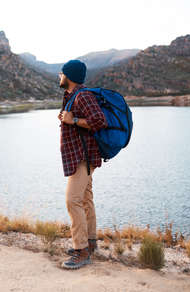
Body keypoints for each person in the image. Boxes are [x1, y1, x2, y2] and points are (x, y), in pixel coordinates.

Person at [58, 59, 107, 270]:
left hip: (83, 158)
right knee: (85, 199)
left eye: (61, 74)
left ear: (69, 76)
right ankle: (90, 242)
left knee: (72, 201)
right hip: (81, 157)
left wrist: (73, 121)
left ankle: (81, 251)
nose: (59, 76)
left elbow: (99, 121)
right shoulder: (72, 96)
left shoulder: (83, 95)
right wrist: (67, 118)